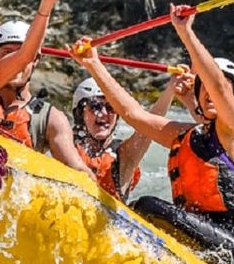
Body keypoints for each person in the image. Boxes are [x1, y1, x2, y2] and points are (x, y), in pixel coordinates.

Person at [70, 5, 234, 263]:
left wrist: (185, 32)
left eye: (220, 89)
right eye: (203, 89)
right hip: (208, 239)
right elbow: (134, 114)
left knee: (147, 207)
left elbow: (220, 87)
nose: (210, 93)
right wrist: (93, 64)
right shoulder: (188, 135)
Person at [0, 20, 91, 174]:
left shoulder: (51, 119)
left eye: (23, 55)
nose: (16, 63)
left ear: (35, 60)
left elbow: (77, 170)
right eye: (8, 53)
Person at [70, 70, 191, 201]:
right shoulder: (64, 145)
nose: (104, 113)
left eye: (111, 108)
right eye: (95, 106)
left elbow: (151, 123)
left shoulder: (125, 157)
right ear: (80, 114)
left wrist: (170, 89)